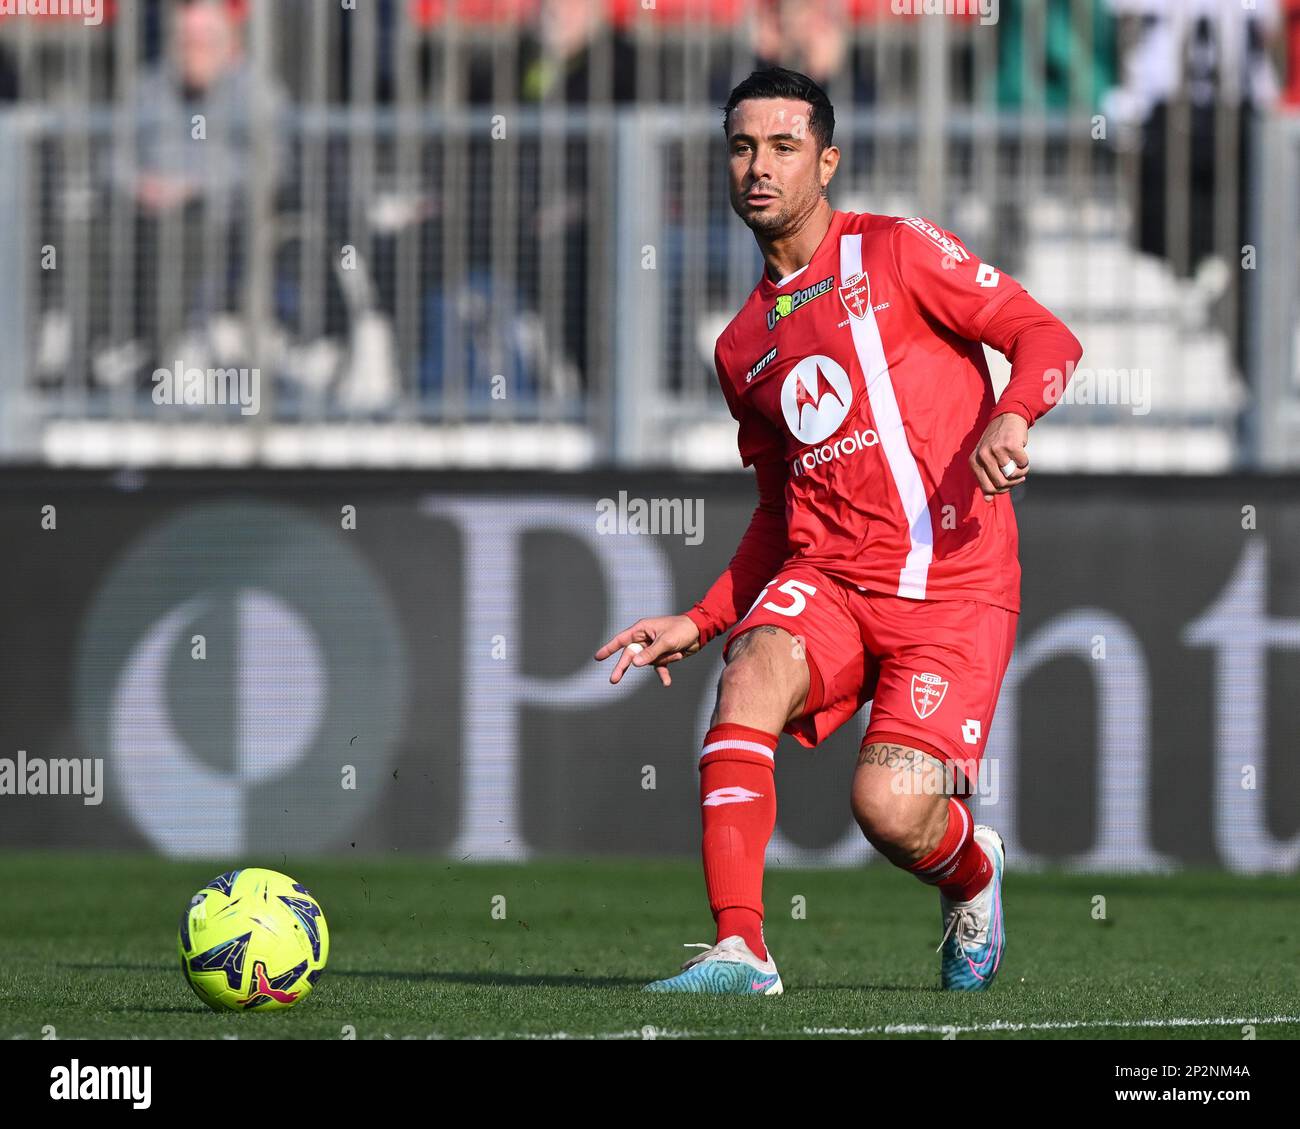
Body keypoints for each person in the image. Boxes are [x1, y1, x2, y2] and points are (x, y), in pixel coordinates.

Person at [595, 67, 1082, 994]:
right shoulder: (741, 344)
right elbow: (780, 512)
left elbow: (1045, 335)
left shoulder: (896, 252)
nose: (758, 168)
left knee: (890, 808)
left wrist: (1013, 416)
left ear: (827, 160)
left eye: (782, 148)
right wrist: (701, 620)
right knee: (750, 668)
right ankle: (743, 949)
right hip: (834, 584)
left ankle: (975, 871)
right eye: (741, 148)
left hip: (955, 589)